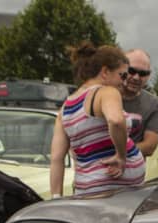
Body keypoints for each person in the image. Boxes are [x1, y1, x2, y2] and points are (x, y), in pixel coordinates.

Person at [50, 42, 145, 197]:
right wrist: (121, 156)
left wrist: (56, 198)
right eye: (122, 75)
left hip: (87, 190)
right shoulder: (106, 92)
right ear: (105, 72)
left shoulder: (65, 109)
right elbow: (116, 120)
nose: (124, 82)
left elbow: (56, 158)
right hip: (117, 193)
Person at [121, 49, 158, 157]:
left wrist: (115, 153)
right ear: (121, 68)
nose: (136, 77)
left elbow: (149, 146)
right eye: (131, 71)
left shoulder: (156, 105)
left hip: (131, 166)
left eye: (142, 73)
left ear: (148, 75)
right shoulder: (102, 95)